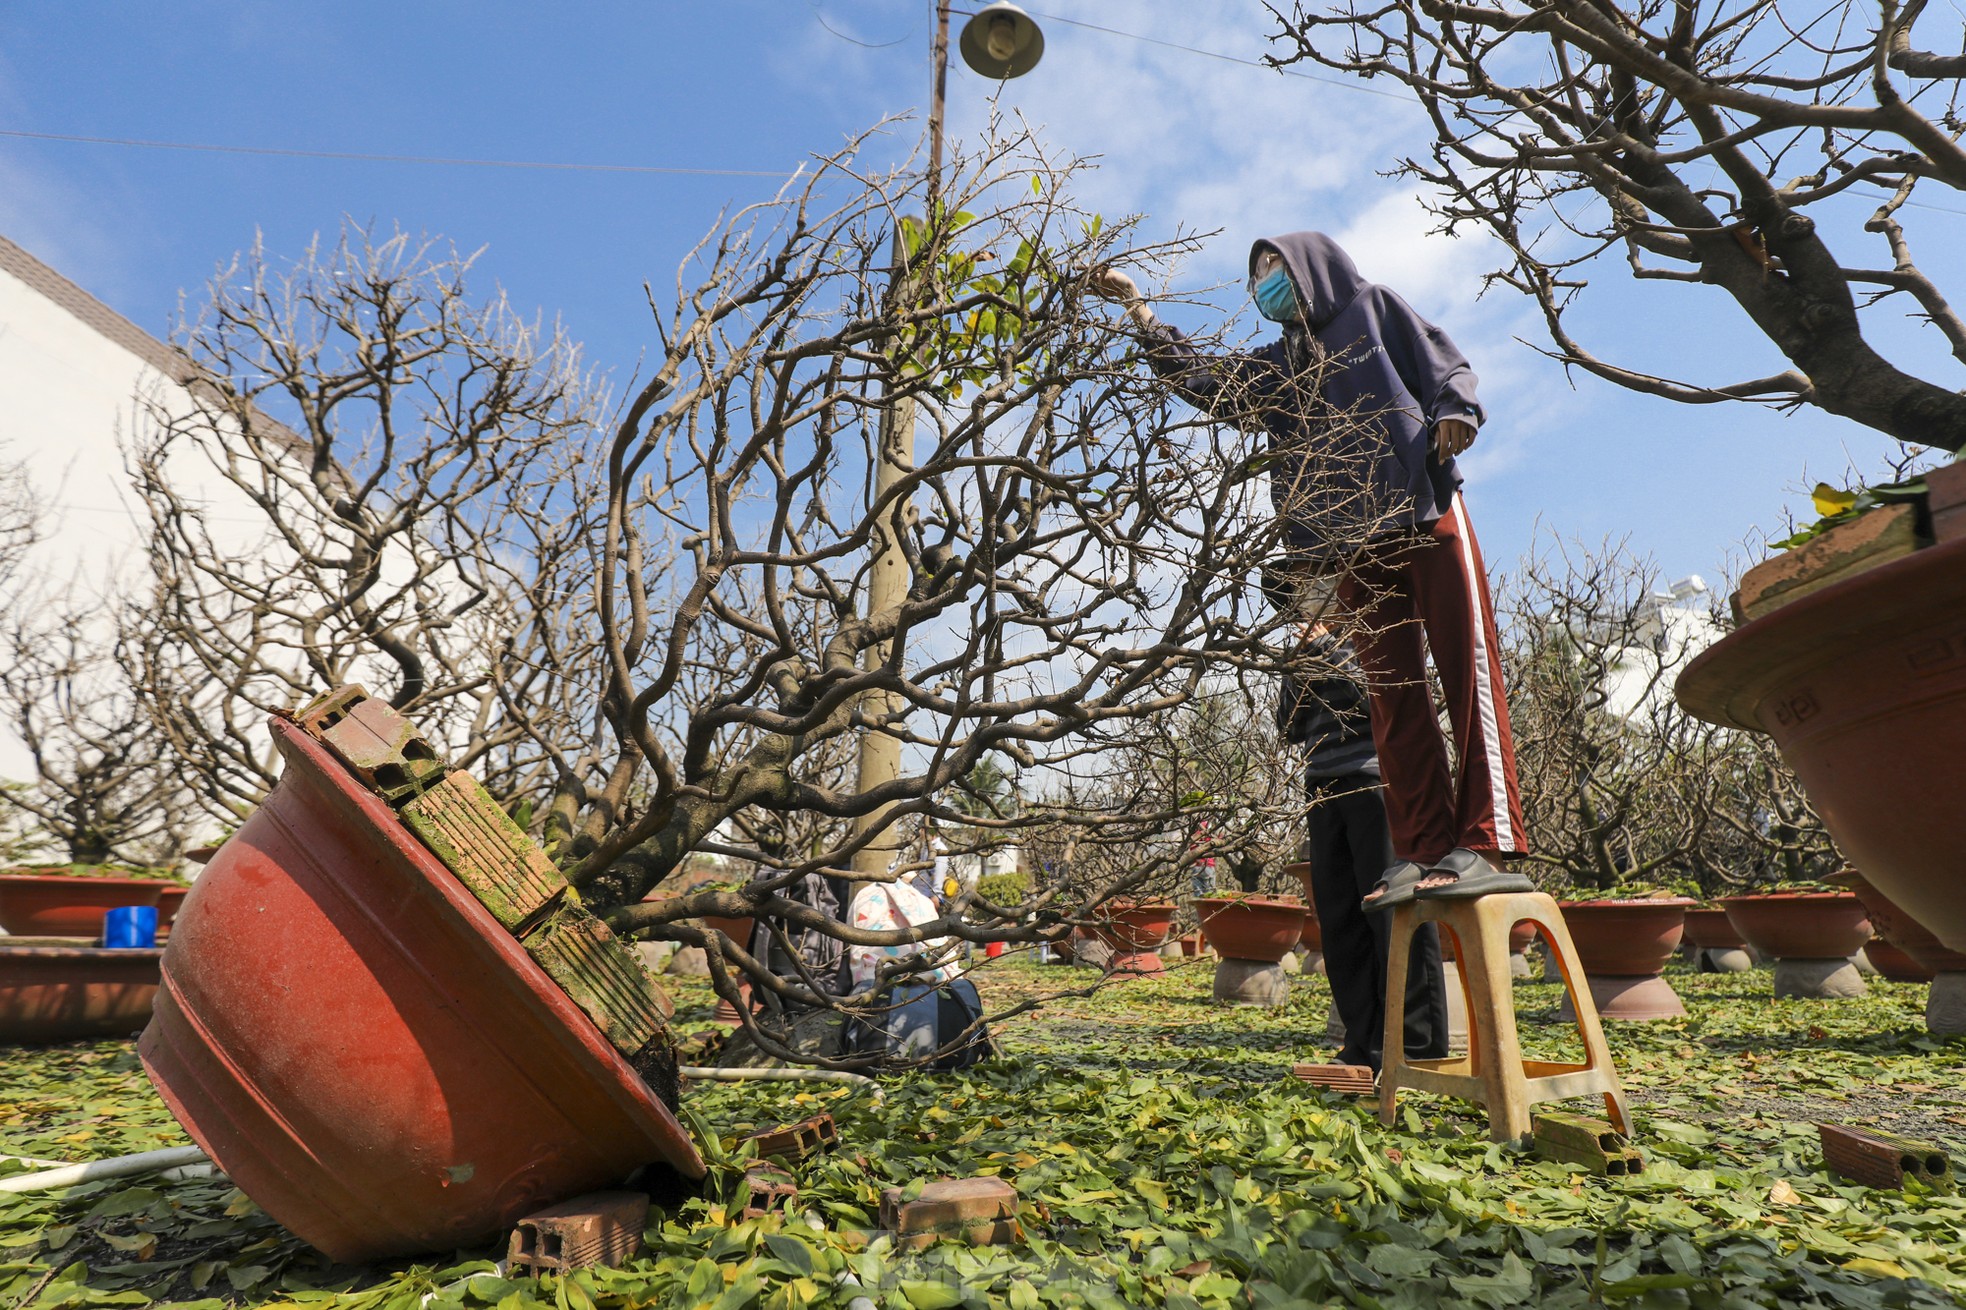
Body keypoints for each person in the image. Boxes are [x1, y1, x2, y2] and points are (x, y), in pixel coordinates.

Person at [1090, 233, 1530, 908]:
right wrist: (1140, 311)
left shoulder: (1374, 309)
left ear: (1311, 264)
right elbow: (1206, 380)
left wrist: (1456, 410)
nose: (1265, 281)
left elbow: (1443, 363)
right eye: (1256, 274)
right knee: (1392, 694)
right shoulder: (1281, 366)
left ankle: (1486, 836)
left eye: (1273, 266)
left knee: (1465, 667)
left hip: (1422, 508)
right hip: (1346, 542)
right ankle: (1421, 848)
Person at [1279, 622, 1447, 1070]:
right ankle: (1362, 1043)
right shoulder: (1303, 645)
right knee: (1340, 920)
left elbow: (1376, 700)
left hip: (1377, 779)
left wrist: (1322, 649)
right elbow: (1289, 726)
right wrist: (1295, 664)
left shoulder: (1379, 624)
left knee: (1391, 910)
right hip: (1321, 785)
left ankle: (1415, 1046)